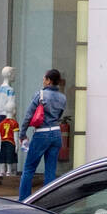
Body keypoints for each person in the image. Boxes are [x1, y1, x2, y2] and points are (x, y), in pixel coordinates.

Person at [18, 69, 66, 200]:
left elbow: (28, 116)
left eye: (44, 79)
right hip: (56, 134)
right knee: (50, 171)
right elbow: (59, 116)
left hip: (41, 134)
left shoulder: (40, 95)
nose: (43, 81)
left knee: (29, 169)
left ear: (49, 81)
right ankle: (48, 201)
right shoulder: (63, 97)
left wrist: (22, 134)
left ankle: (23, 200)